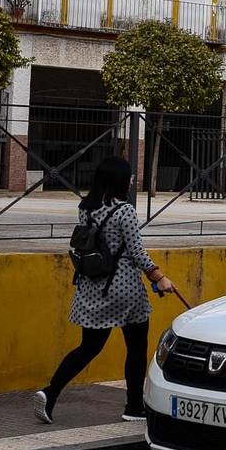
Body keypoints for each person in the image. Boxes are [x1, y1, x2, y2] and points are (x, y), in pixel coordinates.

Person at [34, 156, 175, 424]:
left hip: (92, 287)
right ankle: (134, 407)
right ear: (119, 180)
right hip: (125, 289)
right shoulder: (125, 211)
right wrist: (160, 278)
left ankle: (50, 393)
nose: (132, 180)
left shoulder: (85, 209)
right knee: (136, 347)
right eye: (129, 176)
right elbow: (136, 252)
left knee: (88, 347)